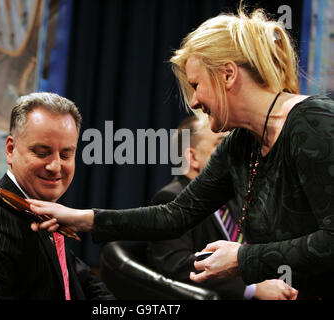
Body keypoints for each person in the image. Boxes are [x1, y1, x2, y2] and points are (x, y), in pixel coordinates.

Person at [27, 7, 334, 299]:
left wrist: (243, 258)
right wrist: (82, 218)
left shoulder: (314, 124)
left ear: (228, 75)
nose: (195, 101)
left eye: (196, 85)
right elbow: (176, 214)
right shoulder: (240, 145)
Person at [0, 92, 115, 300]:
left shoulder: (42, 210)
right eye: (42, 152)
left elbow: (83, 281)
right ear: (10, 149)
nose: (55, 166)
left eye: (66, 154)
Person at [147, 115, 297, 300]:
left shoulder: (231, 196)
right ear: (192, 157)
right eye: (221, 147)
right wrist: (253, 287)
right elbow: (176, 265)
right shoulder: (170, 200)